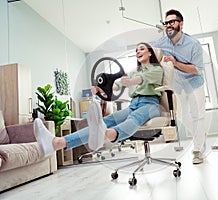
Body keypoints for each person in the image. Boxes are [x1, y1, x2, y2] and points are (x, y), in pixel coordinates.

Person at [33, 42, 163, 157]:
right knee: (107, 120)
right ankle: (57, 143)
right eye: (136, 50)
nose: (138, 52)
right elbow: (116, 86)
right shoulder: (133, 72)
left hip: (150, 105)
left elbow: (142, 79)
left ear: (150, 52)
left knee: (134, 118)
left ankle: (105, 135)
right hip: (134, 104)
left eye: (141, 49)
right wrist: (100, 90)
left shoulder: (156, 69)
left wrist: (130, 81)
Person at [153, 9, 206, 164]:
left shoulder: (193, 44)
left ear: (181, 24)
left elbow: (197, 69)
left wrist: (175, 63)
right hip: (177, 86)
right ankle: (200, 136)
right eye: (166, 23)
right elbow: (152, 57)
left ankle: (197, 150)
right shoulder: (161, 44)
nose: (168, 25)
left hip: (194, 83)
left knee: (198, 116)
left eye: (172, 22)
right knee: (182, 116)